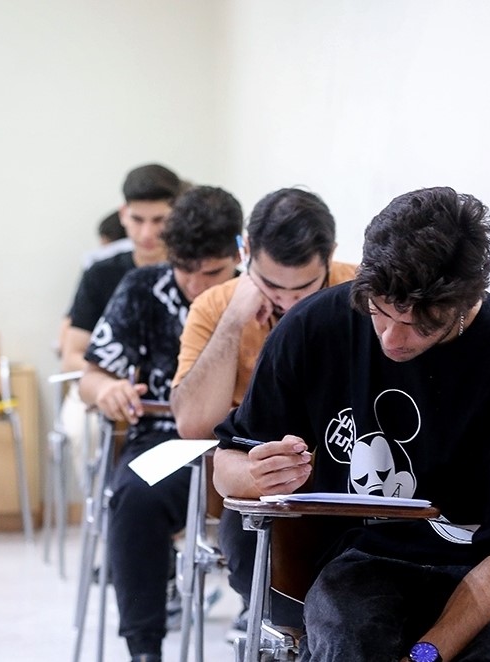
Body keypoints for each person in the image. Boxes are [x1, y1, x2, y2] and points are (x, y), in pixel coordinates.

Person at [213, 187, 490, 662]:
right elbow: (226, 466)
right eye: (380, 312)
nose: (391, 339)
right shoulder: (313, 328)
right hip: (368, 562)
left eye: (421, 325)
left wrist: (427, 653)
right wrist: (256, 474)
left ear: (466, 301)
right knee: (345, 639)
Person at [168, 187, 356, 633]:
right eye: (272, 286)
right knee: (253, 555)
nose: (289, 303)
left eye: (304, 288)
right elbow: (193, 425)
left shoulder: (359, 291)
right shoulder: (217, 305)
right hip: (259, 482)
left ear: (329, 255)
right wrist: (233, 321)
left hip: (348, 471)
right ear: (246, 250)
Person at [79, 185, 243, 662]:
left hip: (245, 443)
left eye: (211, 272)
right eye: (183, 269)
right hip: (165, 440)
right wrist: (106, 390)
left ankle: (270, 615)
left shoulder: (259, 294)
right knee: (133, 496)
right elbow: (92, 375)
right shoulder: (142, 288)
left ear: (240, 253)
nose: (195, 284)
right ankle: (144, 647)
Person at [60, 163, 183, 373]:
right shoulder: (100, 274)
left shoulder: (192, 274)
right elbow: (71, 357)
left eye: (159, 220)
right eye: (137, 219)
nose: (147, 233)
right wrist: (109, 382)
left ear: (177, 216)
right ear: (123, 214)